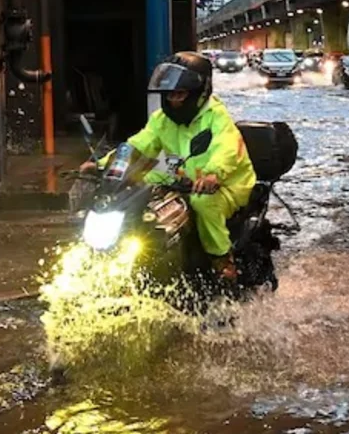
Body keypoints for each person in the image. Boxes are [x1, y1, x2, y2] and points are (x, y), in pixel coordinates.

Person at [84, 52, 256, 281]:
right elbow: (138, 145)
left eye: (180, 94)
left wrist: (214, 174)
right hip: (186, 180)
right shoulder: (161, 120)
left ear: (199, 92)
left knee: (203, 204)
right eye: (169, 95)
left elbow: (226, 148)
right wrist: (105, 165)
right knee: (142, 192)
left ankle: (222, 262)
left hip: (225, 185)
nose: (173, 100)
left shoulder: (216, 117)